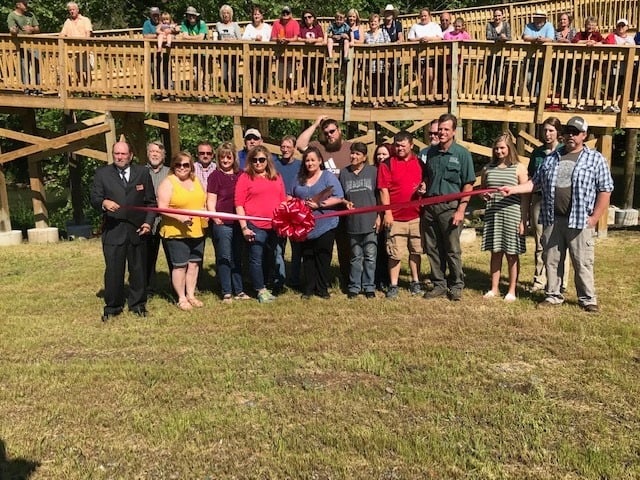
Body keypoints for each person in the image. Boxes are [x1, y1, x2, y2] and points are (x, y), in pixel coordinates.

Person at [502, 117, 614, 313]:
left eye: (575, 132)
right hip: (552, 218)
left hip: (579, 219)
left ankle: (587, 299)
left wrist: (595, 217)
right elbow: (534, 183)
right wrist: (513, 189)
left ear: (584, 135)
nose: (571, 135)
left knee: (582, 261)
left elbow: (605, 189)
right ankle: (553, 295)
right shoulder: (551, 158)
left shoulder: (595, 159)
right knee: (551, 260)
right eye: (568, 131)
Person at [90, 141, 156, 321]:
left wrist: (148, 223)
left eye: (123, 154)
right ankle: (112, 307)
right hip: (114, 231)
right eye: (116, 154)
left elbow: (151, 202)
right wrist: (104, 203)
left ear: (131, 155)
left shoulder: (142, 173)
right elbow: (94, 198)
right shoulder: (102, 174)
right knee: (113, 270)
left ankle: (138, 305)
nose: (119, 157)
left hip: (137, 231)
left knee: (138, 270)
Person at [422, 113, 475, 301]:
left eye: (446, 129)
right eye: (440, 129)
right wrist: (423, 185)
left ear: (453, 132)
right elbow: (428, 177)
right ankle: (439, 284)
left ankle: (456, 284)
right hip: (430, 207)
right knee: (433, 248)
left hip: (450, 208)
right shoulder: (431, 153)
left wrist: (461, 210)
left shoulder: (462, 154)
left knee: (452, 249)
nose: (442, 132)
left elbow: (468, 184)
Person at [296, 115, 353, 288]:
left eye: (332, 131)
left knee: (346, 247)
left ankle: (346, 280)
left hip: (344, 205)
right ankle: (319, 282)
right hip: (323, 210)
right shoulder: (319, 148)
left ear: (339, 131)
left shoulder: (349, 148)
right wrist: (315, 124)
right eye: (326, 132)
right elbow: (300, 145)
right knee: (321, 249)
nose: (330, 135)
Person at [480, 133, 529, 302]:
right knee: (495, 252)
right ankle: (494, 288)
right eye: (496, 148)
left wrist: (523, 220)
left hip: (512, 214)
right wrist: (484, 196)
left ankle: (512, 290)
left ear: (509, 149)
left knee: (512, 254)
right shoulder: (488, 168)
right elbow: (483, 189)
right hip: (494, 215)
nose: (499, 151)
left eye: (502, 148)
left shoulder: (519, 168)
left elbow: (525, 195)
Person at [235, 145, 286, 303]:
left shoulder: (276, 176)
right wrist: (244, 227)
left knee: (270, 257)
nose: (258, 163)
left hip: (274, 226)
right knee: (255, 258)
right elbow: (239, 204)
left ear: (267, 160)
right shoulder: (245, 177)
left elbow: (283, 201)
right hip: (254, 224)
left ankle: (266, 284)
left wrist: (284, 223)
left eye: (261, 159)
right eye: (254, 160)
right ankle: (260, 289)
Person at [157, 151, 208, 311]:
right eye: (178, 164)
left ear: (191, 166)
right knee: (180, 266)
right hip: (176, 231)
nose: (182, 168)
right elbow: (161, 208)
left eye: (186, 164)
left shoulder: (196, 180)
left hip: (197, 230)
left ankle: (191, 295)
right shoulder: (168, 182)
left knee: (194, 264)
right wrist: (180, 218)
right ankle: (181, 297)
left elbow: (202, 200)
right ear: (173, 166)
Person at [292, 147, 345, 299]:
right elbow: (290, 195)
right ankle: (308, 288)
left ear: (320, 161)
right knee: (307, 256)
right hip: (304, 225)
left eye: (313, 160)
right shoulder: (299, 178)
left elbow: (339, 197)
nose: (310, 163)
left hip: (326, 224)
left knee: (323, 256)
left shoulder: (328, 177)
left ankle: (322, 288)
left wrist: (320, 205)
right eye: (307, 160)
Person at [378, 131, 424, 299]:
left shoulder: (419, 162)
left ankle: (415, 281)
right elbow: (384, 190)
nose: (399, 149)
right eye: (397, 146)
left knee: (416, 251)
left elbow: (424, 180)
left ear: (411, 145)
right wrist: (387, 212)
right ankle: (394, 284)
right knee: (394, 253)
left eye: (403, 146)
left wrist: (423, 187)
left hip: (416, 216)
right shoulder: (387, 164)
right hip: (395, 217)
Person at [528, 117, 569, 293]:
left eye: (551, 130)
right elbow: (531, 177)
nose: (547, 134)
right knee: (540, 241)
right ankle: (539, 280)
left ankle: (562, 282)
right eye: (545, 130)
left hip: (558, 200)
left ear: (558, 133)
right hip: (539, 199)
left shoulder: (564, 151)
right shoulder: (537, 153)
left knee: (560, 242)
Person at [206, 142, 250, 303]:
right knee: (224, 256)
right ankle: (226, 291)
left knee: (237, 256)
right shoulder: (215, 176)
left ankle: (239, 290)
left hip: (239, 222)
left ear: (233, 158)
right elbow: (211, 200)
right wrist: (214, 216)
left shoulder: (242, 175)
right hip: (222, 223)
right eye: (222, 157)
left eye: (228, 156)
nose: (225, 160)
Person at [340, 142, 379, 299]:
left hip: (370, 221)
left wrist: (379, 217)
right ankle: (354, 286)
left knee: (370, 256)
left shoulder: (373, 172)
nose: (353, 156)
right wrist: (345, 203)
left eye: (357, 154)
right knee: (356, 257)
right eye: (352, 153)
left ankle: (369, 286)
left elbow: (380, 196)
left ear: (364, 157)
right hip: (353, 222)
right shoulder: (344, 173)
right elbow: (340, 195)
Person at [274, 135, 302, 288]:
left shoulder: (300, 165)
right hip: (279, 211)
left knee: (297, 249)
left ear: (294, 148)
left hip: (295, 212)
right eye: (282, 146)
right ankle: (279, 280)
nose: (284, 149)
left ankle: (295, 279)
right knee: (278, 248)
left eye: (288, 147)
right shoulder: (274, 165)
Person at [145, 141, 170, 295]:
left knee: (173, 256)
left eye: (158, 152)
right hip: (149, 222)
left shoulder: (170, 172)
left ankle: (176, 287)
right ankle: (148, 287)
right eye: (152, 151)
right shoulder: (140, 172)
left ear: (163, 155)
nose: (155, 154)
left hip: (167, 221)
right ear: (148, 154)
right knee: (148, 257)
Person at [373, 143, 395, 290]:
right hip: (376, 213)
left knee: (389, 248)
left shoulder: (391, 170)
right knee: (377, 248)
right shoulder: (372, 171)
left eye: (384, 154)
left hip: (389, 213)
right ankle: (377, 278)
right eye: (378, 154)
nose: (381, 157)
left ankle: (389, 278)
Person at [408, 9, 443, 101]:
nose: (423, 18)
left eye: (425, 15)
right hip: (419, 55)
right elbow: (410, 39)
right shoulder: (415, 26)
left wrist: (429, 39)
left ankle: (430, 95)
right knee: (422, 77)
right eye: (422, 16)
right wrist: (420, 39)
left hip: (432, 55)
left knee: (431, 76)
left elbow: (440, 37)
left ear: (429, 16)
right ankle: (424, 97)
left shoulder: (435, 26)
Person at [7, 0, 40, 95]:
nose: (26, 5)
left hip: (34, 44)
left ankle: (38, 88)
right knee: (24, 67)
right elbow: (12, 30)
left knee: (37, 65)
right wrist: (14, 31)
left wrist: (32, 29)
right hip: (21, 45)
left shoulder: (30, 14)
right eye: (24, 4)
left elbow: (37, 28)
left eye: (27, 3)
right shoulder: (12, 16)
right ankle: (27, 89)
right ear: (18, 4)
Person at [60, 2, 93, 89]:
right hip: (73, 51)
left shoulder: (85, 20)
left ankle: (88, 89)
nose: (72, 11)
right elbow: (62, 34)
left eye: (73, 9)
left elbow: (88, 33)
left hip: (85, 50)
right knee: (78, 71)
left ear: (77, 10)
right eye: (70, 10)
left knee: (87, 70)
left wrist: (86, 45)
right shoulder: (67, 22)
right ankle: (83, 88)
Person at [242, 6, 272, 105]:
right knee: (254, 76)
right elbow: (244, 38)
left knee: (264, 76)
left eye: (258, 14)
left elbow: (271, 39)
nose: (256, 16)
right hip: (252, 57)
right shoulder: (249, 27)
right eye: (255, 14)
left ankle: (263, 96)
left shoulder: (267, 27)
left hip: (265, 56)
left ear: (262, 16)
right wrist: (254, 38)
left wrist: (262, 40)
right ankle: (254, 95)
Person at [179, 6, 208, 98]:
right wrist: (193, 38)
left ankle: (206, 93)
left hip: (204, 51)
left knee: (206, 72)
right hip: (193, 52)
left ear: (196, 16)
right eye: (189, 15)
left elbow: (201, 37)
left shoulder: (201, 23)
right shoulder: (184, 23)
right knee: (196, 72)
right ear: (187, 16)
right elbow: (184, 36)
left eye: (193, 15)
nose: (191, 17)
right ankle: (199, 92)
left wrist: (189, 38)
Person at [143, 7, 171, 99]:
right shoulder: (147, 23)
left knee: (167, 70)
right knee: (155, 70)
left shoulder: (164, 21)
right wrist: (159, 35)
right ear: (150, 15)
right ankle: (158, 91)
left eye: (157, 15)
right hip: (153, 53)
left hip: (166, 52)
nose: (156, 17)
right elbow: (146, 36)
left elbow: (174, 30)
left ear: (159, 14)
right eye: (153, 15)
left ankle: (168, 90)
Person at [364, 13, 391, 108]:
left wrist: (388, 61)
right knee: (373, 82)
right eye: (371, 21)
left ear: (379, 23)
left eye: (375, 21)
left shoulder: (383, 32)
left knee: (382, 81)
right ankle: (374, 101)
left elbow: (388, 46)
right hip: (370, 63)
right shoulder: (366, 34)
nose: (373, 23)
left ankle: (382, 100)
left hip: (381, 62)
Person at [298, 9, 324, 103]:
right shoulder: (302, 28)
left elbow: (321, 38)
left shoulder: (317, 27)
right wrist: (305, 40)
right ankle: (311, 97)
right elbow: (298, 38)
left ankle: (318, 97)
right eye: (305, 18)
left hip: (318, 56)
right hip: (306, 56)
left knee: (318, 76)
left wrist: (313, 40)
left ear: (313, 18)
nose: (307, 19)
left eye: (309, 17)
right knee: (308, 77)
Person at [215, 5, 241, 99]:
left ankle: (234, 94)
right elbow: (217, 38)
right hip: (223, 54)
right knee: (224, 76)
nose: (226, 15)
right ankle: (228, 94)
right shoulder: (218, 25)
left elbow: (240, 39)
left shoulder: (235, 25)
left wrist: (231, 41)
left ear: (231, 14)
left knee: (233, 75)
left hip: (234, 53)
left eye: (227, 13)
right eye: (224, 13)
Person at [381, 4, 403, 104]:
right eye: (387, 13)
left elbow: (400, 38)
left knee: (394, 75)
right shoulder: (381, 26)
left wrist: (394, 43)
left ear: (393, 14)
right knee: (384, 75)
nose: (388, 15)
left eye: (390, 13)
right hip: (383, 54)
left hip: (395, 53)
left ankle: (394, 98)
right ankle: (385, 97)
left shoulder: (397, 25)